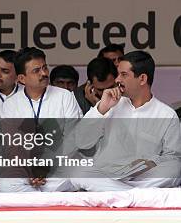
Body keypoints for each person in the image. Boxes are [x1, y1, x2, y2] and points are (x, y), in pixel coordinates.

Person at [69, 51, 181, 191]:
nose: (117, 80)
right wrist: (101, 109)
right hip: (107, 175)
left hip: (143, 178)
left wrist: (151, 162)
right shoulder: (109, 104)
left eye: (124, 75)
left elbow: (172, 158)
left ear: (142, 79)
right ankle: (134, 195)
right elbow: (81, 141)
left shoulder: (167, 115)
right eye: (118, 74)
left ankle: (120, 193)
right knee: (77, 172)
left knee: (174, 169)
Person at [0, 47, 82, 192]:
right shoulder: (11, 104)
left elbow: (72, 140)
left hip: (60, 166)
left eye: (44, 68)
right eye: (36, 70)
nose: (44, 73)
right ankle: (44, 200)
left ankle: (35, 200)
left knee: (78, 177)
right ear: (22, 79)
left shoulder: (64, 96)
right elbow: (13, 146)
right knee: (6, 183)